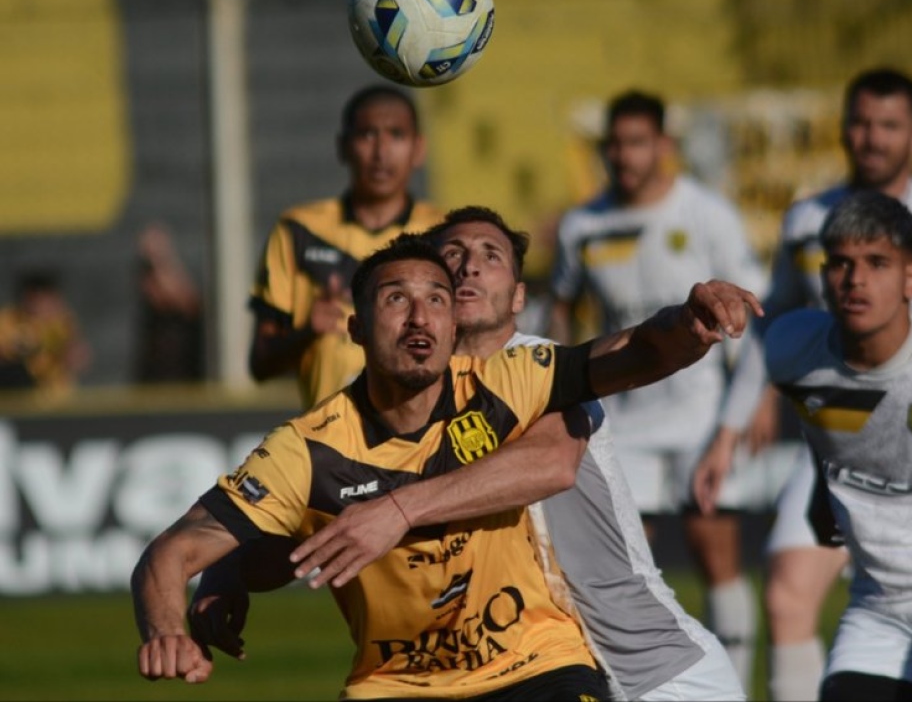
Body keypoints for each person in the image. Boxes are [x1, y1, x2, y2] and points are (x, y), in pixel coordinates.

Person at [132, 232, 761, 699]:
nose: (418, 315)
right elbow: (171, 552)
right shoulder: (308, 446)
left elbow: (633, 353)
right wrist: (169, 625)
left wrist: (687, 324)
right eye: (396, 299)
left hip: (535, 664)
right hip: (394, 683)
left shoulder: (509, 380)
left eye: (436, 298)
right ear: (355, 328)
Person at [694, 66, 912, 701]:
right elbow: (768, 330)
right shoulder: (807, 223)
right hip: (846, 447)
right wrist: (728, 426)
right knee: (784, 592)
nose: (872, 138)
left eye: (888, 126)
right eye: (860, 123)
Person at [547, 88, 768, 686]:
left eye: (637, 142)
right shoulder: (583, 224)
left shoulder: (705, 213)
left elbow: (752, 309)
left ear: (663, 147)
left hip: (700, 416)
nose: (624, 155)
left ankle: (734, 685)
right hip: (624, 423)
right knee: (615, 567)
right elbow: (561, 307)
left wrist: (755, 403)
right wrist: (558, 379)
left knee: (715, 548)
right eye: (614, 144)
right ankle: (628, 685)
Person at [766, 191, 912, 701]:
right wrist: (818, 495)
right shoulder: (791, 350)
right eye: (842, 264)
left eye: (877, 263)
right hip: (879, 604)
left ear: (911, 278)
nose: (856, 280)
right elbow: (819, 423)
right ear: (823, 276)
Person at [249, 84, 441, 408]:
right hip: (331, 447)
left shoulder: (444, 234)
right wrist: (307, 332)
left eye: (396, 135)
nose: (380, 152)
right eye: (367, 135)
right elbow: (260, 364)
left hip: (424, 447)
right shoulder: (299, 231)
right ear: (343, 146)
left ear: (418, 149)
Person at [134, 223, 205, 383]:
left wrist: (162, 261)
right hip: (159, 381)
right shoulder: (151, 296)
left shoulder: (184, 294)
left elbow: (186, 300)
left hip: (183, 379)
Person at [0, 271, 90, 396]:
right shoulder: (10, 318)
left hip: (54, 398)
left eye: (45, 299)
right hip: (17, 396)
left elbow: (80, 360)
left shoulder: (62, 323)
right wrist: (18, 348)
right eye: (34, 298)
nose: (40, 305)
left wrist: (64, 351)